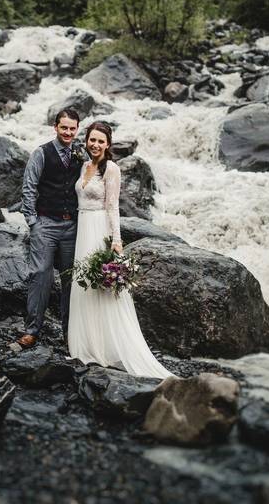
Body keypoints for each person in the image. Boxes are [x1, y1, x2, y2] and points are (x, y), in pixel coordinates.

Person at [67, 121, 174, 379]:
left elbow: (113, 206)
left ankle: (108, 347)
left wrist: (116, 241)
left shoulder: (112, 169)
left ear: (108, 144)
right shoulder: (83, 166)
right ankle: (86, 346)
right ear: (87, 140)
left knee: (101, 285)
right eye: (92, 139)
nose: (95, 144)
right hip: (82, 228)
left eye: (101, 141)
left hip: (99, 228)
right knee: (84, 285)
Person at [15, 109, 82, 349]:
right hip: (45, 224)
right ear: (55, 127)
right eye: (64, 128)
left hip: (72, 227)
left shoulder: (80, 153)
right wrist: (32, 222)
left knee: (71, 280)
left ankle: (70, 333)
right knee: (40, 275)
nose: (68, 132)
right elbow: (29, 188)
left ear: (77, 129)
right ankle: (32, 330)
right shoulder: (41, 153)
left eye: (72, 128)